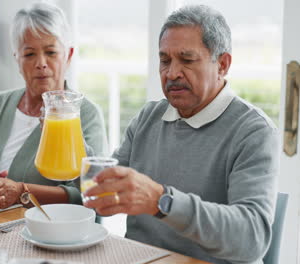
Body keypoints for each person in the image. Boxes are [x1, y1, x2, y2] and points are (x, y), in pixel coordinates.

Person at [84, 5, 278, 264]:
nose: (172, 73)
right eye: (165, 61)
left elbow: (251, 240)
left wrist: (161, 201)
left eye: (187, 60)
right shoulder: (148, 118)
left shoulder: (253, 131)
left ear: (222, 64)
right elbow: (102, 190)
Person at [0, 2, 107, 210]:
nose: (41, 63)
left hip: (46, 231)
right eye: (29, 54)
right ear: (17, 59)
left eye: (51, 52)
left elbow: (89, 193)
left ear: (68, 56)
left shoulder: (85, 115)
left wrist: (20, 192)